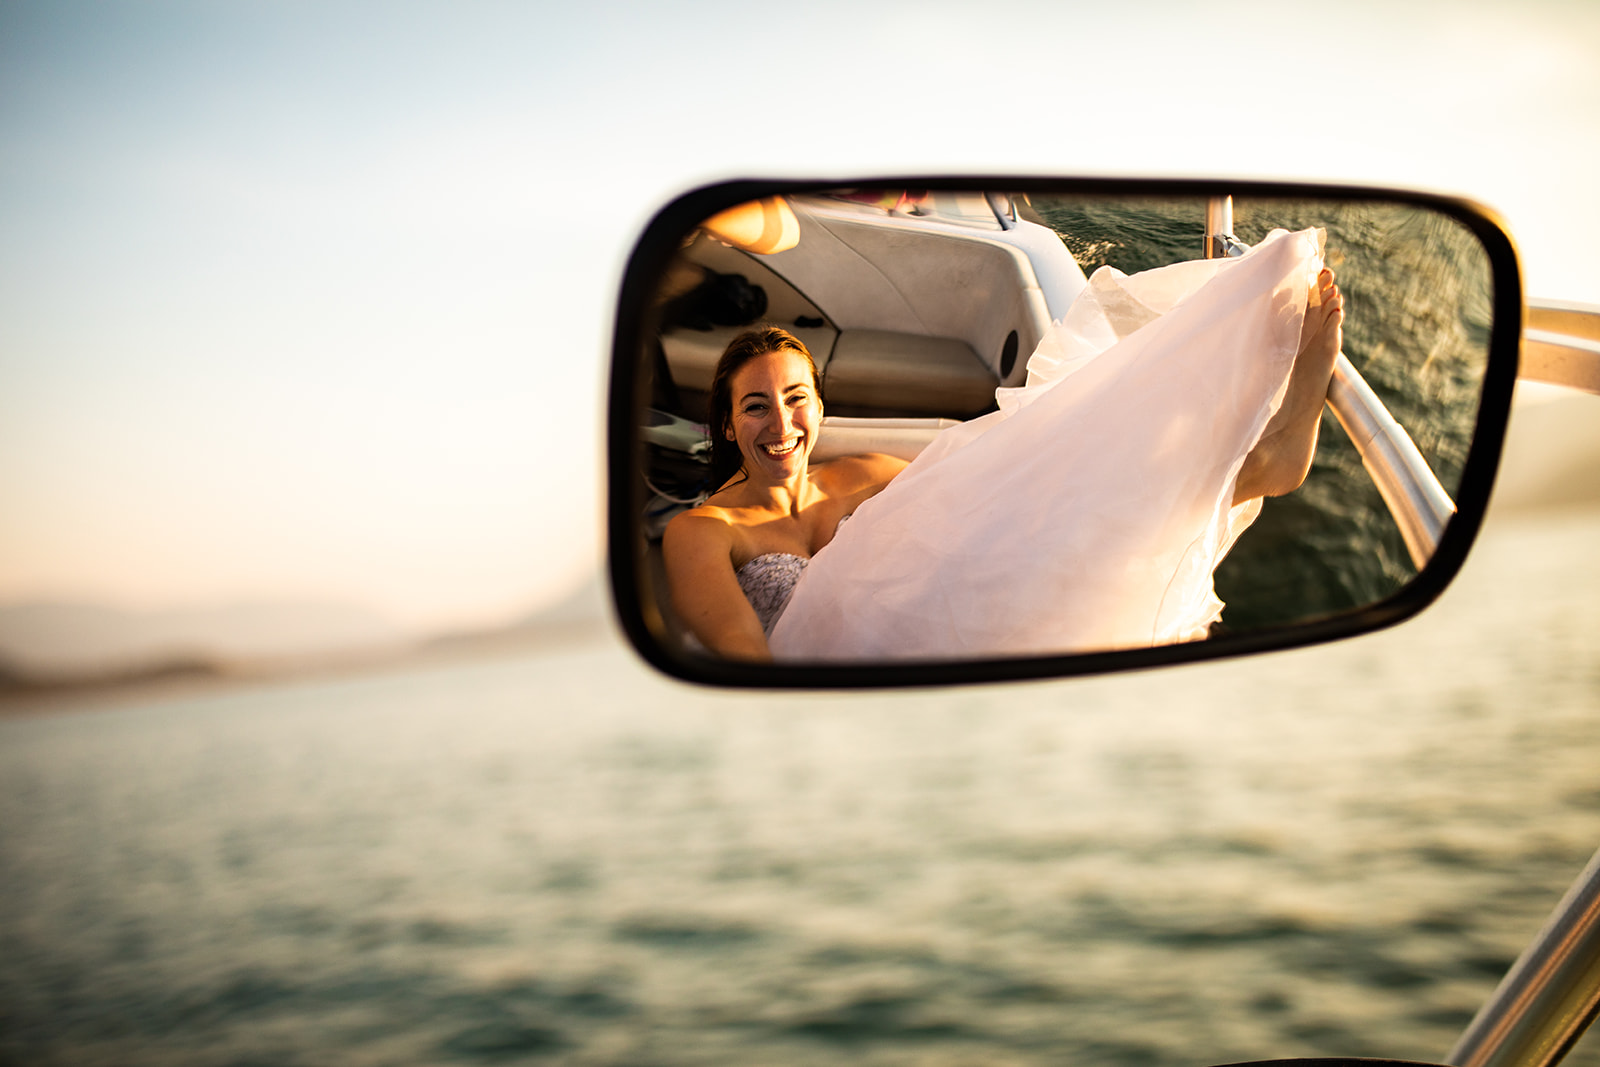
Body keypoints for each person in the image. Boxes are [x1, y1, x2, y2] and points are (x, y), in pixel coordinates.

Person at [662, 227, 1344, 662]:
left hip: (927, 620)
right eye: (755, 406)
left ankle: (1249, 464)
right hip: (840, 669)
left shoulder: (860, 473)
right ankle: (1254, 467)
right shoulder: (703, 531)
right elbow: (745, 656)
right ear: (727, 425)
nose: (780, 424)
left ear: (819, 407)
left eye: (795, 399)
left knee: (1045, 496)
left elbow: (985, 491)